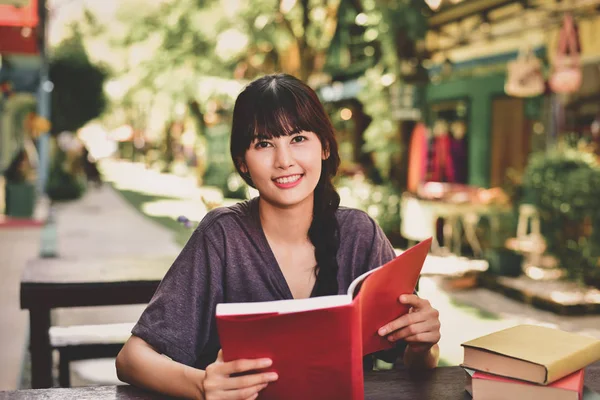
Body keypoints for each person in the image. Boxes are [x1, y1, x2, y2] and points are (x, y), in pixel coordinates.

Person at [116, 74, 441, 400]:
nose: (284, 160)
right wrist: (202, 385)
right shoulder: (223, 237)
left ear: (325, 147)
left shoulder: (360, 235)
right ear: (243, 162)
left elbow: (411, 362)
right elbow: (131, 359)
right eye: (264, 143)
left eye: (298, 138)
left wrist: (424, 346)